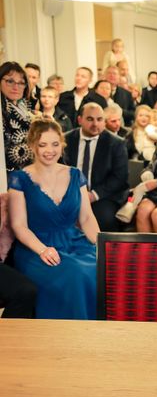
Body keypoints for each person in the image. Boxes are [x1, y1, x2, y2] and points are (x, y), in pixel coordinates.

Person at [9, 117, 98, 319]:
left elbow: (86, 218)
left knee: (100, 267)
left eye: (55, 144)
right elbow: (19, 225)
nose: (50, 150)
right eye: (43, 145)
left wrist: (103, 244)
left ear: (62, 144)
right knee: (75, 273)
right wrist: (42, 249)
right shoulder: (20, 179)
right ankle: (69, 336)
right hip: (37, 247)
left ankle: (99, 335)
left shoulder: (76, 175)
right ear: (32, 146)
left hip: (76, 242)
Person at [63, 103, 129, 232]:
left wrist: (93, 195)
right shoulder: (66, 140)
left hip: (103, 195)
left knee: (103, 218)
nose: (95, 124)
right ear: (79, 120)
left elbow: (119, 178)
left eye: (99, 119)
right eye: (90, 119)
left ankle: (97, 252)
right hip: (71, 193)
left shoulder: (116, 143)